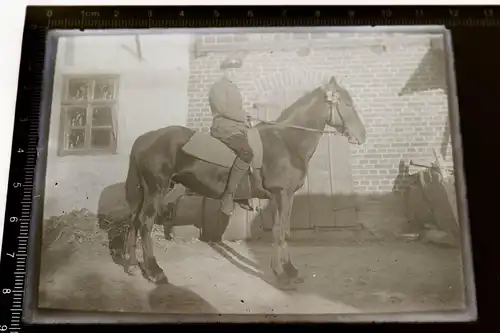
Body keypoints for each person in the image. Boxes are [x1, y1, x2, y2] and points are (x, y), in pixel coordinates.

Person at [208, 54, 261, 216]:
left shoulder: (233, 88)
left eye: (235, 70)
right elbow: (223, 109)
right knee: (246, 153)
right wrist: (243, 117)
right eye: (229, 69)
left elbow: (236, 111)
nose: (232, 73)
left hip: (236, 128)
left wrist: (247, 116)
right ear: (223, 71)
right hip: (223, 128)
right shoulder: (217, 87)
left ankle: (244, 192)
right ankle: (229, 195)